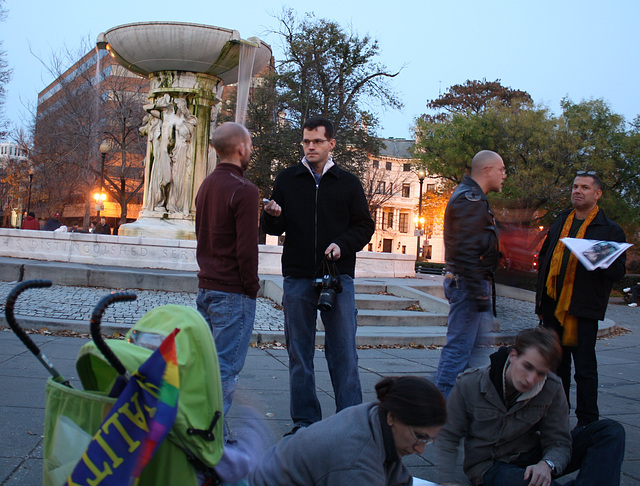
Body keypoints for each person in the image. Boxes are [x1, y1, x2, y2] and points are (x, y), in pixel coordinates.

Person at [261, 116, 375, 434]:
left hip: (337, 279)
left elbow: (364, 226)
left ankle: (350, 423)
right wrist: (271, 216)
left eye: (317, 141)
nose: (310, 146)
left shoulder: (348, 183)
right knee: (299, 353)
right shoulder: (287, 179)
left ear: (331, 144)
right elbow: (274, 228)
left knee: (343, 353)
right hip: (297, 277)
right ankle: (305, 421)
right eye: (306, 141)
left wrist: (342, 243)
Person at [436, 327, 626, 486]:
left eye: (541, 373)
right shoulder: (470, 383)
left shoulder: (551, 386)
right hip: (491, 465)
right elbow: (448, 434)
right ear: (513, 356)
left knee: (610, 431)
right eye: (527, 366)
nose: (531, 379)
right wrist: (446, 480)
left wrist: (548, 464)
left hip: (533, 456)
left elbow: (559, 441)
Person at [536, 171, 626, 427]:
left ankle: (588, 422)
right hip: (554, 307)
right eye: (575, 186)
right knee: (557, 367)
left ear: (597, 194)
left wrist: (598, 259)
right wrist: (541, 304)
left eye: (585, 187)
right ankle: (557, 418)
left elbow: (618, 272)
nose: (577, 190)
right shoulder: (561, 221)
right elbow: (544, 259)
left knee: (585, 369)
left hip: (583, 309)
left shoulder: (610, 229)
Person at [249, 376, 447, 486]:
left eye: (428, 441)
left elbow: (398, 479)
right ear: (392, 417)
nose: (421, 450)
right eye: (419, 437)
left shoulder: (375, 416)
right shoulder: (355, 460)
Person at [195, 122, 259, 422]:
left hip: (206, 289)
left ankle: (196, 430)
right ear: (240, 148)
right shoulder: (244, 190)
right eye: (250, 146)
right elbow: (247, 249)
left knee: (205, 368)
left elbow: (202, 234)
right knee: (225, 371)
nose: (251, 151)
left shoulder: (206, 185)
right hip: (233, 292)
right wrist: (252, 287)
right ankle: (210, 437)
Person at [434, 150, 506, 398]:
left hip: (468, 283)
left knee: (463, 353)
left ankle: (447, 408)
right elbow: (465, 251)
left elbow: (473, 244)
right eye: (501, 169)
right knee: (457, 352)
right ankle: (439, 414)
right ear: (487, 170)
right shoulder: (470, 199)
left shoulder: (472, 198)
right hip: (468, 284)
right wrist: (479, 293)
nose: (504, 175)